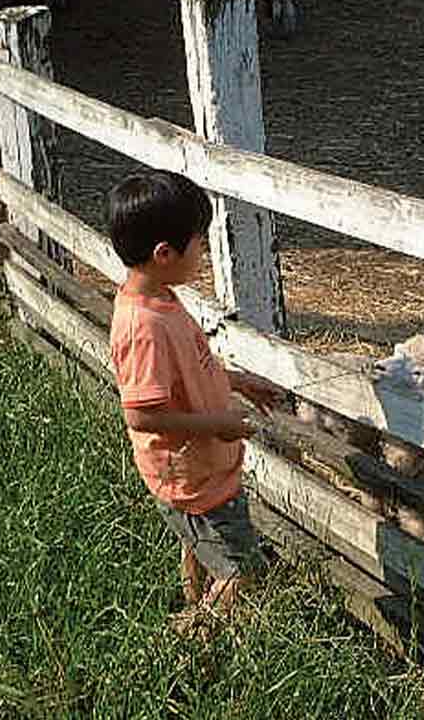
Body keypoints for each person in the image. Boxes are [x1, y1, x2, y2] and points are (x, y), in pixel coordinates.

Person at [107, 169, 283, 618]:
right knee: (241, 573)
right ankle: (189, 642)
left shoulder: (160, 298)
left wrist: (236, 382)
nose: (204, 249)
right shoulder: (144, 326)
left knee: (195, 541)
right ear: (164, 253)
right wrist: (218, 425)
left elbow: (187, 373)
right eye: (199, 241)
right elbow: (142, 416)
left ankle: (191, 601)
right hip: (194, 476)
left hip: (190, 471)